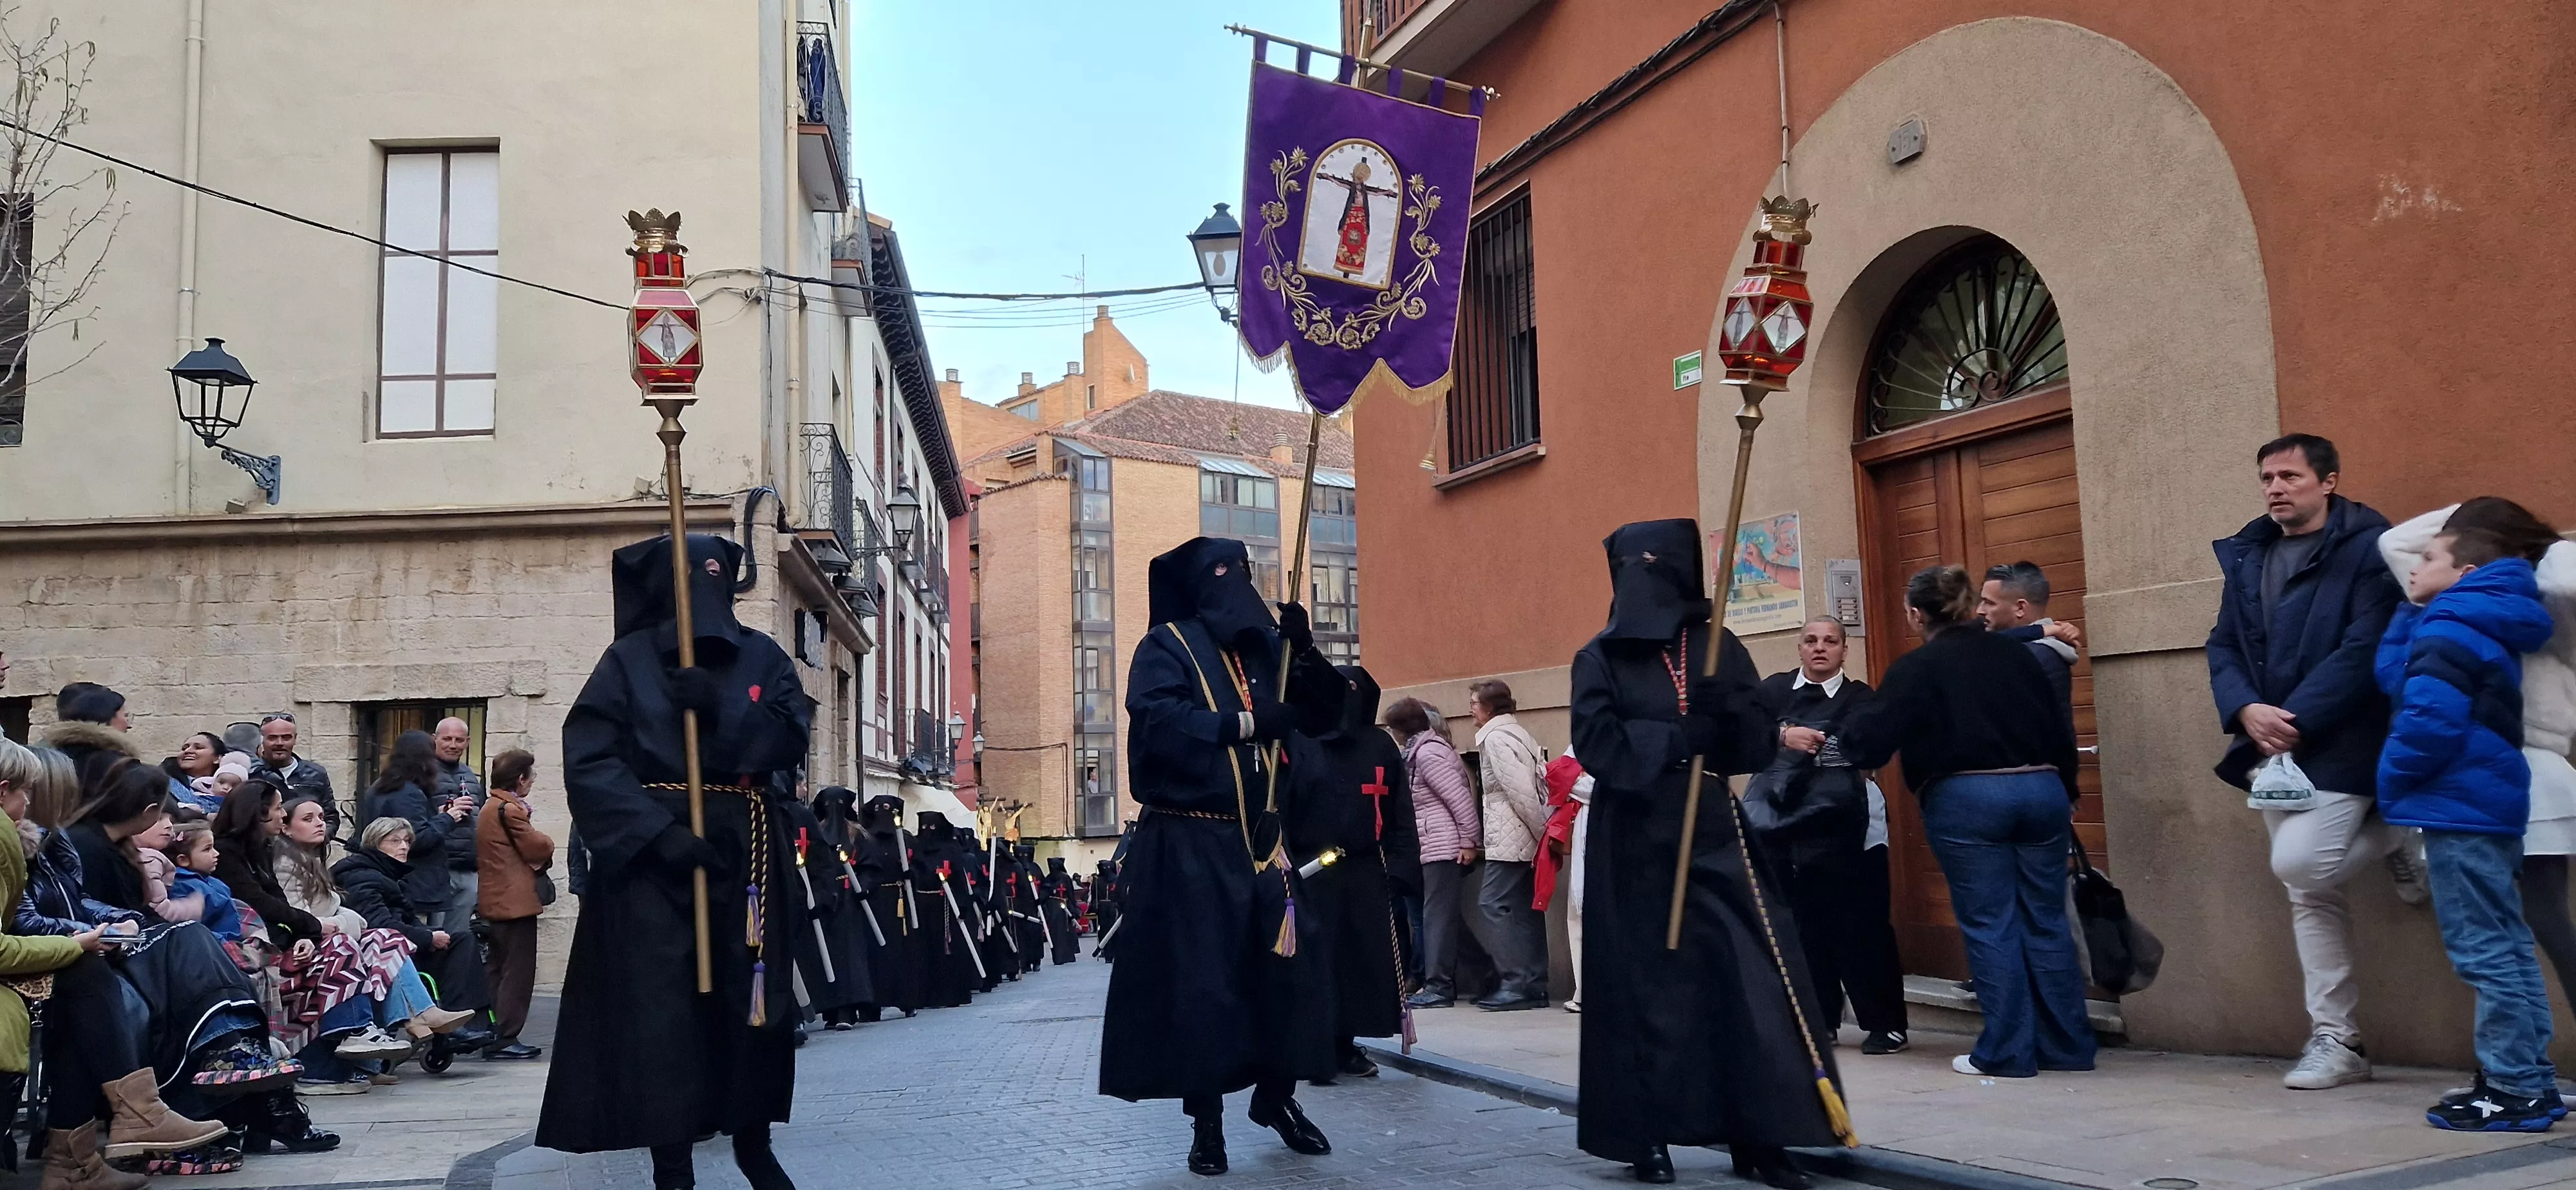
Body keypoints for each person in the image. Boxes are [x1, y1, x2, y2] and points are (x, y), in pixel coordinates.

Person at [536, 533, 815, 1190]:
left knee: (751, 1002)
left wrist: (716, 711)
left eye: (716, 571)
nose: (704, 584)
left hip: (744, 851)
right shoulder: (626, 662)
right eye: (690, 574)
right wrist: (657, 836)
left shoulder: (763, 656)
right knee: (664, 1010)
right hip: (654, 864)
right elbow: (592, 759)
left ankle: (754, 1143)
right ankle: (672, 1163)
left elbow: (788, 737)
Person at [1569, 520, 1841, 1188]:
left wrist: (1734, 718)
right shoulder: (1598, 657)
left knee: (1748, 978)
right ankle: (1644, 1135)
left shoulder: (1717, 648)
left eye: (1661, 564)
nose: (1648, 576)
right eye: (1637, 566)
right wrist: (1676, 736)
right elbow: (1598, 745)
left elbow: (1752, 750)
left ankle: (1762, 1133)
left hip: (1715, 833)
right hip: (1632, 836)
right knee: (1642, 989)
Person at [1101, 536, 1346, 1176]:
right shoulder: (1167, 647)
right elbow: (1157, 720)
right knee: (1204, 988)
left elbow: (1323, 716)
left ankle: (1277, 1098)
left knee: (1293, 974)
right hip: (1189, 843)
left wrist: (1307, 648)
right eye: (1221, 572)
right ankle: (1206, 1127)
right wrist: (1242, 723)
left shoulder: (1269, 649)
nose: (1235, 582)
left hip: (1264, 845)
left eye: (1242, 571)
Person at [2205, 433, 2410, 1090]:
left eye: (2289, 475)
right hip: (2271, 748)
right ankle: (2337, 1037)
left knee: (2300, 863)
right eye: (2266, 476)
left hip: (2343, 742)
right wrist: (2244, 710)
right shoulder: (2248, 553)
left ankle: (2400, 828)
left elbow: (2364, 648)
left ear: (2327, 482)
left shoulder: (2368, 550)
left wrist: (2287, 718)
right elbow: (2223, 644)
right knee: (2308, 896)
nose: (2274, 487)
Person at [1838, 565, 2088, 1081]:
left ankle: (2005, 1052)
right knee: (2045, 919)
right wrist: (2067, 789)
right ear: (1973, 606)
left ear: (1915, 613)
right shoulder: (2022, 655)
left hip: (1969, 795)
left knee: (1989, 921)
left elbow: (1869, 741)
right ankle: (2067, 1046)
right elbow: (2060, 727)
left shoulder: (1918, 667)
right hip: (2043, 789)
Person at [2376, 524, 2559, 1129]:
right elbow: (2398, 677)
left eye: (2429, 557)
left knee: (2485, 951)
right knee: (2506, 945)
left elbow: (2428, 717)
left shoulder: (2451, 624)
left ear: (2466, 573)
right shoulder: (2482, 619)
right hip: (2488, 802)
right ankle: (2530, 1081)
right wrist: (2412, 614)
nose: (2415, 564)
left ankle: (2512, 1089)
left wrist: (2393, 781)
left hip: (2456, 804)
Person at [0, 739, 231, 1182]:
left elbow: (76, 901)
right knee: (94, 983)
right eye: (25, 789)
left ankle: (81, 1159)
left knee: (160, 948)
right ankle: (135, 1116)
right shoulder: (20, 840)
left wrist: (117, 922)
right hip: (39, 961)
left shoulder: (52, 838)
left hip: (58, 957)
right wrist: (79, 941)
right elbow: (24, 921)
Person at [1758, 618, 1911, 1055]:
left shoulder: (1861, 697)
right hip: (1784, 828)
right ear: (1799, 647)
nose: (1820, 648)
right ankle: (1819, 1021)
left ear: (1845, 650)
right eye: (1811, 640)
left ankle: (1885, 1024)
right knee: (1803, 927)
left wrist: (1804, 745)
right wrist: (1787, 737)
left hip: (1851, 829)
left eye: (1831, 642)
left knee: (1863, 927)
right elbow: (1747, 739)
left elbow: (1866, 750)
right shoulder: (1772, 692)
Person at [1283, 663, 1414, 1080]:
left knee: (1359, 963)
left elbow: (1399, 811)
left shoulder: (1380, 746)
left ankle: (1345, 1044)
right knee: (1315, 961)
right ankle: (1312, 1046)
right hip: (1310, 871)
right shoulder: (1300, 741)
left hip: (1364, 870)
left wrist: (1400, 867)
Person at [1466, 679, 1551, 1010]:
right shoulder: (1518, 734)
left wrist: (1541, 831)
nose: (1471, 709)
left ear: (1489, 708)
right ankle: (1533, 983)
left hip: (1511, 838)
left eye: (1474, 703)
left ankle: (1517, 982)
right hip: (1523, 836)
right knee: (1524, 910)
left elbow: (1521, 793)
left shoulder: (1496, 739)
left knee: (1492, 904)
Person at [1388, 697, 1478, 1010]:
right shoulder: (1421, 752)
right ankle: (1485, 973)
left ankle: (1439, 987)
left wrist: (1468, 842)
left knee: (1437, 917)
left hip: (1443, 846)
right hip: (1433, 844)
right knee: (1442, 917)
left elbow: (1459, 801)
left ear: (1402, 728)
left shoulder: (1429, 754)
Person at [477, 748, 552, 1059]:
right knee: (517, 972)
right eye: (530, 777)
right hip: (514, 901)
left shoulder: (491, 806)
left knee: (498, 968)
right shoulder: (509, 810)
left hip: (497, 899)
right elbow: (539, 846)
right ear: (520, 779)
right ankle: (506, 1037)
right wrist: (546, 841)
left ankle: (496, 1032)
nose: (532, 782)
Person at [838, 791, 922, 1019]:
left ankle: (906, 999)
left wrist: (909, 873)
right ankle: (871, 1004)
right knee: (873, 953)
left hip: (898, 901)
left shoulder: (905, 839)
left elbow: (921, 869)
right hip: (873, 902)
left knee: (902, 951)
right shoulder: (864, 839)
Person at [1978, 562, 2082, 736]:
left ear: (2020, 608)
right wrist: (2041, 630)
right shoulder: (2040, 645)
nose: (1980, 610)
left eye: (1989, 603)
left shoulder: (2032, 655)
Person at [1539, 751, 1590, 1013]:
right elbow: (1559, 776)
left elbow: (1591, 786)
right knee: (1578, 918)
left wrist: (1575, 782)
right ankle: (1584, 990)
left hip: (1600, 833)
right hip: (1587, 830)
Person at [433, 717, 487, 932]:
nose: (453, 745)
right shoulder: (422, 775)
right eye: (447, 739)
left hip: (468, 869)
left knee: (459, 938)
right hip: (437, 869)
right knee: (435, 937)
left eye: (459, 740)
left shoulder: (471, 777)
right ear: (434, 739)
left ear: (468, 742)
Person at [248, 713, 338, 842]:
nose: (279, 743)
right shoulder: (252, 773)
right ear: (262, 740)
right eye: (272, 738)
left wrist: (318, 841)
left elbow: (330, 816)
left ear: (295, 739)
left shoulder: (316, 774)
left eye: (286, 738)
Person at [164, 731, 227, 808]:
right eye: (184, 748)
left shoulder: (231, 788)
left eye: (198, 748)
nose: (187, 751)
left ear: (217, 759)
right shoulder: (162, 783)